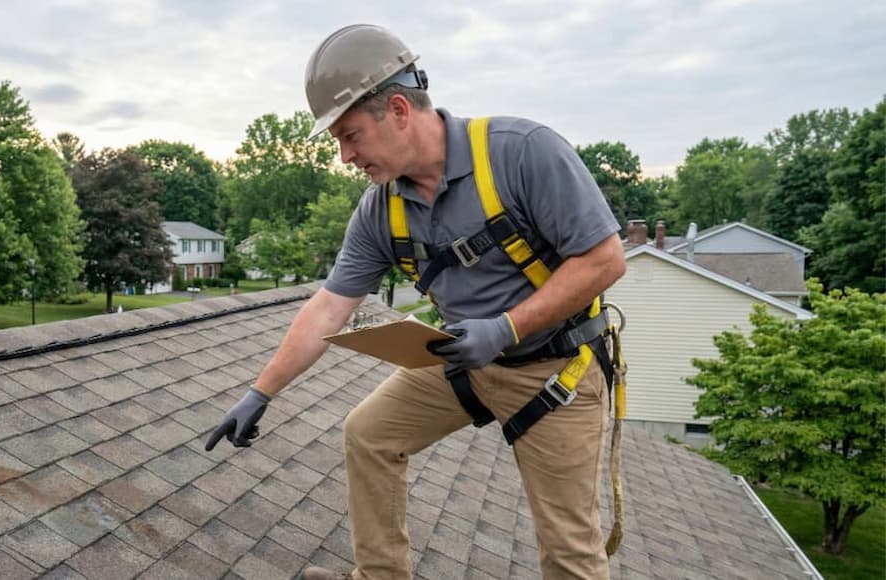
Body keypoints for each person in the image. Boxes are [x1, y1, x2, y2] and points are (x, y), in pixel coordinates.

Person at [206, 24, 626, 580]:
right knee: (369, 434)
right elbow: (329, 307)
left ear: (399, 110)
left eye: (350, 135)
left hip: (553, 374)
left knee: (570, 549)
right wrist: (260, 392)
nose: (344, 155)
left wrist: (503, 329)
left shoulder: (522, 154)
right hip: (462, 364)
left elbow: (604, 261)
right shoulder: (381, 209)